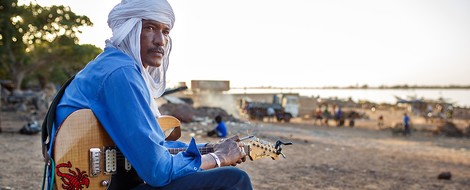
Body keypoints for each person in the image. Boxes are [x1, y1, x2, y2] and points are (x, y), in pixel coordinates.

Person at [43, 0, 251, 189]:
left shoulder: (110, 65)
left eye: (166, 31)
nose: (160, 41)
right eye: (150, 28)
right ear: (128, 30)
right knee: (233, 180)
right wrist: (219, 158)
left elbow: (153, 148)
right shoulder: (121, 72)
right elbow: (157, 171)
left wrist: (210, 148)